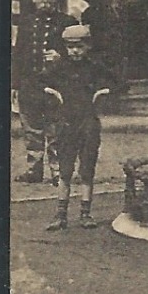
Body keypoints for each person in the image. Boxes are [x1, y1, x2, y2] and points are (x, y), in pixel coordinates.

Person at [40, 23, 114, 230]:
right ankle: (60, 215)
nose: (75, 51)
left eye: (79, 46)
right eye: (70, 46)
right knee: (65, 170)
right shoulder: (58, 68)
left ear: (88, 46)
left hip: (88, 123)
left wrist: (102, 94)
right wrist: (53, 98)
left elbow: (115, 83)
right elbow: (40, 85)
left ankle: (85, 213)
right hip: (66, 123)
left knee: (87, 168)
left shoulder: (94, 67)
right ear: (64, 47)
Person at [12, 0, 66, 184]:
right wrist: (15, 85)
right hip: (30, 85)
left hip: (56, 85)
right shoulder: (26, 23)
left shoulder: (66, 22)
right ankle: (34, 170)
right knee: (32, 130)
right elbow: (18, 54)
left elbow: (80, 53)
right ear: (34, 0)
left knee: (55, 129)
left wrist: (60, 56)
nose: (45, 1)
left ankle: (58, 171)